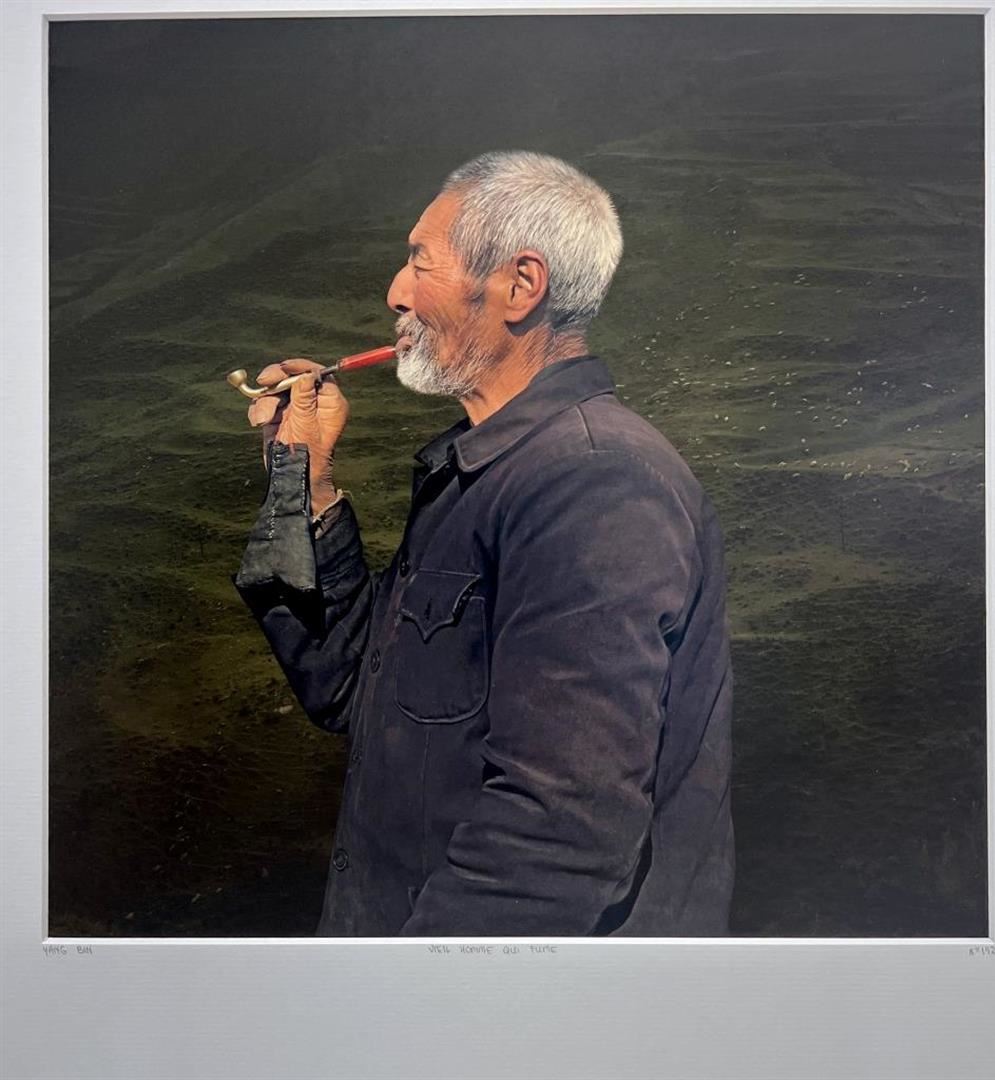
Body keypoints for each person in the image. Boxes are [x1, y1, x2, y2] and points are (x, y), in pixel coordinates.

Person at [233, 151, 734, 936]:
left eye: (419, 262)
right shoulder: (485, 472)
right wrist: (308, 483)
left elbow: (560, 834)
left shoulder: (595, 483)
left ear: (520, 285)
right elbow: (353, 693)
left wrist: (413, 991)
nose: (395, 292)